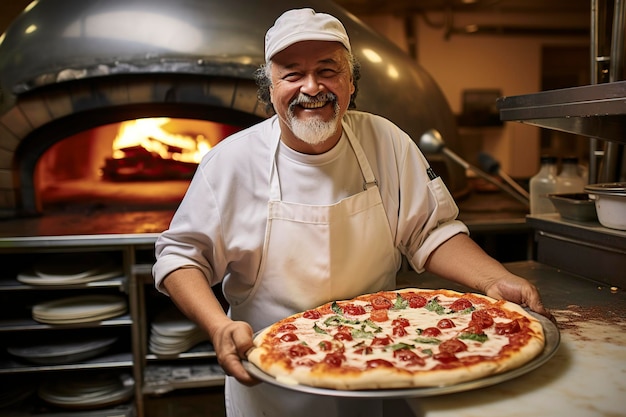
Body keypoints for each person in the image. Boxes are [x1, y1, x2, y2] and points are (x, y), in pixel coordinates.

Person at [152, 8, 551, 417]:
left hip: (385, 359)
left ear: (351, 82)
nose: (312, 87)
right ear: (268, 88)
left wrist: (495, 279)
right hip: (274, 381)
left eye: (329, 70)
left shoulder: (388, 141)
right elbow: (181, 259)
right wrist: (219, 327)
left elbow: (429, 233)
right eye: (292, 74)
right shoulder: (230, 163)